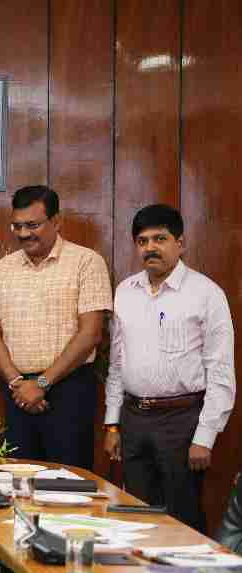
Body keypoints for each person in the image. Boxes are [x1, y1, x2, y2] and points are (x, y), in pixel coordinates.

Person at [103, 204, 234, 532]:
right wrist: (112, 424)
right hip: (133, 420)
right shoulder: (125, 292)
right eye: (143, 241)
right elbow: (117, 363)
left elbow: (220, 371)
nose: (150, 248)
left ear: (180, 243)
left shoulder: (206, 294)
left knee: (181, 520)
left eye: (160, 239)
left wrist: (205, 436)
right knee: (135, 516)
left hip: (182, 421)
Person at [0, 185, 112, 470]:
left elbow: (90, 333)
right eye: (17, 226)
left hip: (68, 391)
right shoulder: (5, 267)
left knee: (68, 481)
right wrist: (18, 383)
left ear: (56, 221)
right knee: (17, 479)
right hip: (17, 393)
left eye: (32, 225)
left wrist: (42, 383)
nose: (23, 233)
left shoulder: (86, 262)